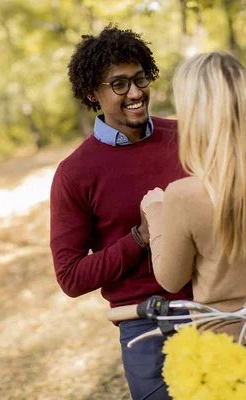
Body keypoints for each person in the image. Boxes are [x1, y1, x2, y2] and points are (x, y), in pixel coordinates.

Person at [49, 24, 192, 400]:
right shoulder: (74, 174)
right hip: (145, 328)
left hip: (216, 305)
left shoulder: (186, 137)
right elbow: (70, 276)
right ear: (91, 93)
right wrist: (141, 238)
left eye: (139, 78)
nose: (135, 93)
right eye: (118, 84)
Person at [141, 51, 246, 342]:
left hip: (233, 348)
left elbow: (171, 280)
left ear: (195, 114)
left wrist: (156, 212)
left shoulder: (183, 196)